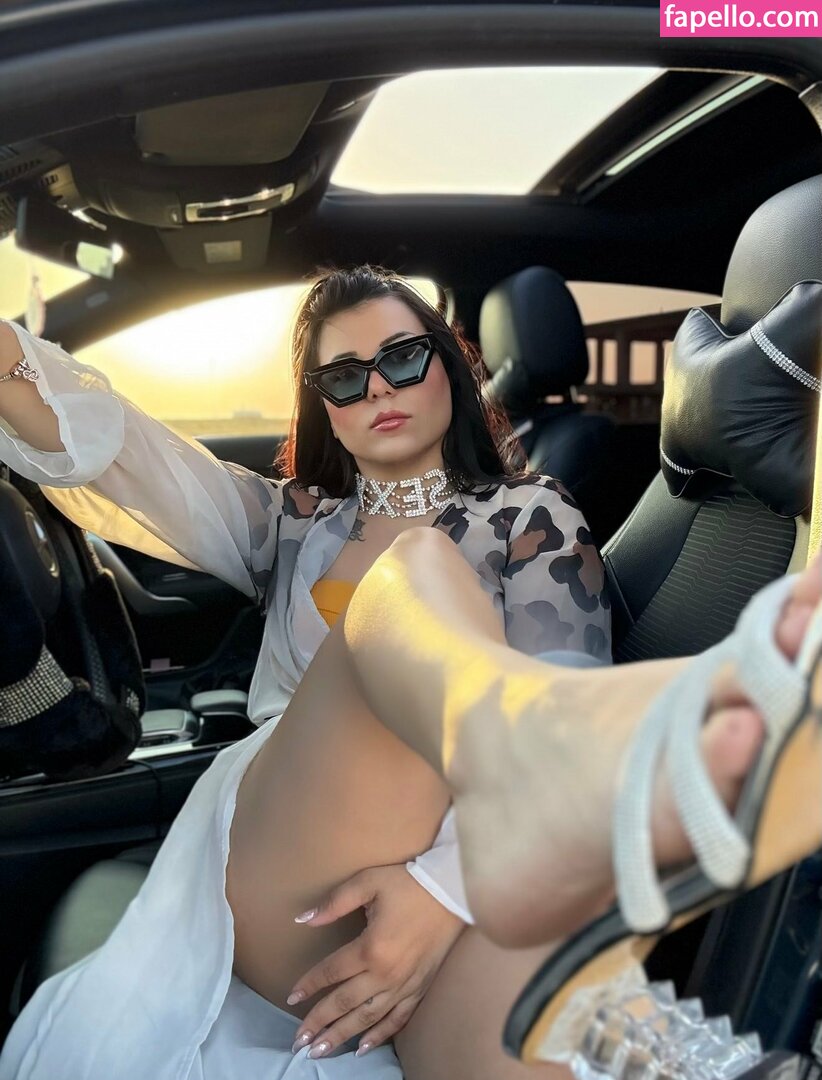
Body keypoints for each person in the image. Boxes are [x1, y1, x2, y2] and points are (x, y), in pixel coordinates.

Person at [0, 265, 611, 1080]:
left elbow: (568, 728)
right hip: (293, 855)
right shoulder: (296, 523)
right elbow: (132, 461)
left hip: (483, 840)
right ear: (325, 406)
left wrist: (444, 891)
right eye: (344, 378)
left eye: (403, 358)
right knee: (418, 576)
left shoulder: (532, 516)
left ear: (450, 365)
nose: (378, 389)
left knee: (537, 1044)